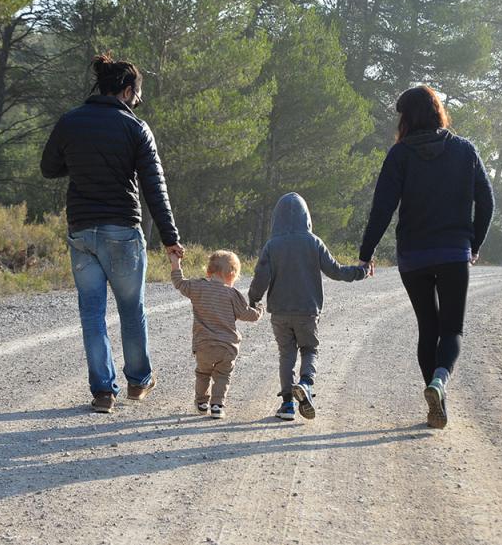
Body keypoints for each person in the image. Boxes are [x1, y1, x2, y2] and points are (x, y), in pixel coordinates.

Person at [40, 53, 184, 414]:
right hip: (121, 229)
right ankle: (138, 381)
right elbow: (155, 188)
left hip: (82, 230)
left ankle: (103, 392)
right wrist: (170, 237)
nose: (138, 101)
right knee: (131, 308)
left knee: (92, 313)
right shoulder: (135, 128)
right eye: (138, 94)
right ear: (126, 89)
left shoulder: (70, 121)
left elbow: (49, 167)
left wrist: (82, 163)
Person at [358, 85, 494, 429]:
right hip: (453, 253)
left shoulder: (399, 154)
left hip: (413, 256)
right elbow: (487, 202)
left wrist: (366, 253)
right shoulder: (465, 151)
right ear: (437, 113)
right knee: (451, 331)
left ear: (407, 118)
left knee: (427, 328)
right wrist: (473, 243)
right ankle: (439, 382)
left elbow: (382, 209)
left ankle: (435, 400)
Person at [248, 193, 369, 421]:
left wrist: (253, 298)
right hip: (307, 311)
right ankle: (305, 383)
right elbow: (336, 271)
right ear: (307, 217)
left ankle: (287, 406)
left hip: (280, 312)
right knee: (309, 350)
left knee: (286, 355)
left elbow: (260, 277)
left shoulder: (272, 245)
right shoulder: (314, 242)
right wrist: (360, 272)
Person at [170, 250, 263, 419]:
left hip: (203, 345)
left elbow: (179, 282)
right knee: (222, 375)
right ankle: (217, 405)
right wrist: (259, 309)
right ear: (232, 274)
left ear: (209, 271)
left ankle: (202, 402)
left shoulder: (197, 286)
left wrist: (176, 262)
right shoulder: (232, 294)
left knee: (203, 373)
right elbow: (249, 315)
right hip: (227, 347)